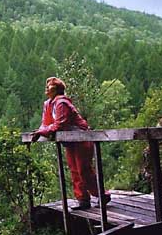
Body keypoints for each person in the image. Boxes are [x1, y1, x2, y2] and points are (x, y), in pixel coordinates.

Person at [31, 77, 110, 210]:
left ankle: (102, 195)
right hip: (70, 140)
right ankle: (83, 200)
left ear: (57, 89)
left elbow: (60, 123)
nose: (46, 88)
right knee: (74, 170)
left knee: (83, 170)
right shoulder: (48, 104)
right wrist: (41, 130)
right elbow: (46, 123)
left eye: (49, 86)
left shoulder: (61, 103)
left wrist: (42, 131)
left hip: (81, 138)